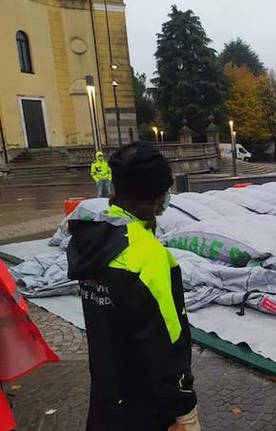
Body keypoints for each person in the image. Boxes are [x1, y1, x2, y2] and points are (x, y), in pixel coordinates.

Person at [68, 142, 200, 431]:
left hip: (106, 402)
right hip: (146, 410)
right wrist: (184, 409)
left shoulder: (94, 242)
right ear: (157, 196)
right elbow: (167, 343)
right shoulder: (147, 256)